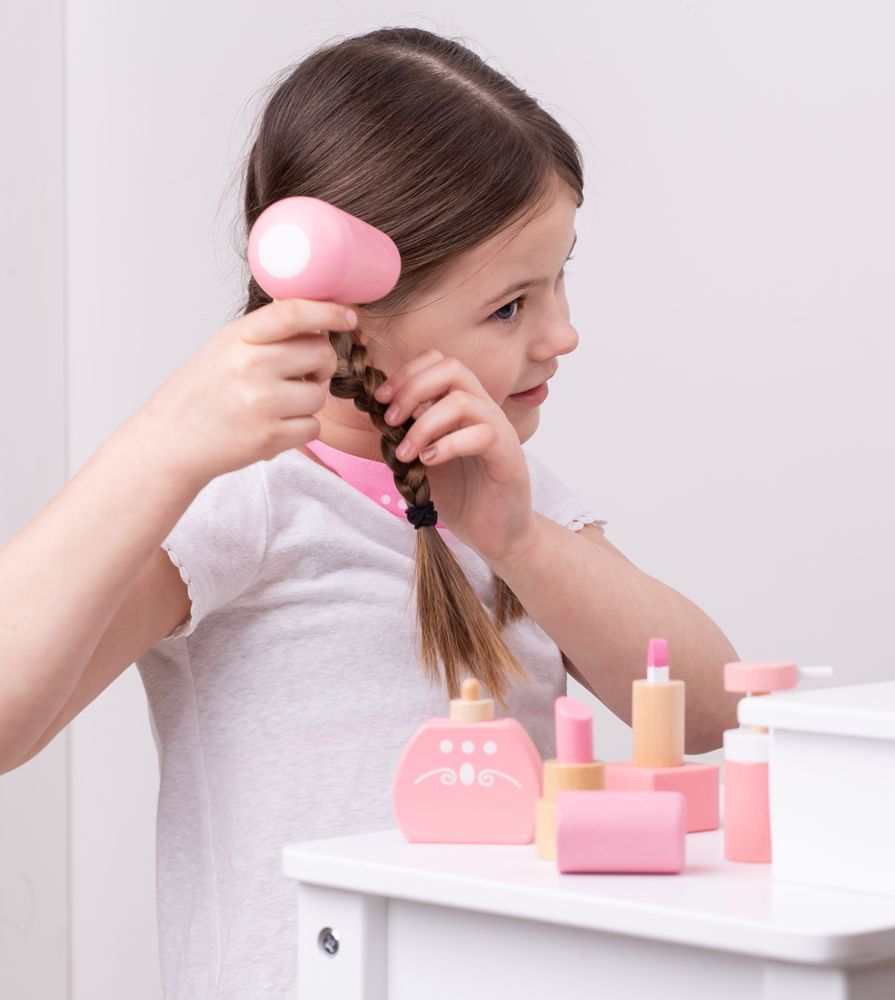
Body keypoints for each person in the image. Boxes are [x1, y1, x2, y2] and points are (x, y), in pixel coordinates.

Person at [0, 26, 741, 1000]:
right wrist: (160, 446)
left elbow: (714, 711)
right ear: (351, 312)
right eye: (510, 306)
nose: (562, 333)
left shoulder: (507, 498)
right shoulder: (247, 504)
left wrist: (521, 541)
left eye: (560, 278)